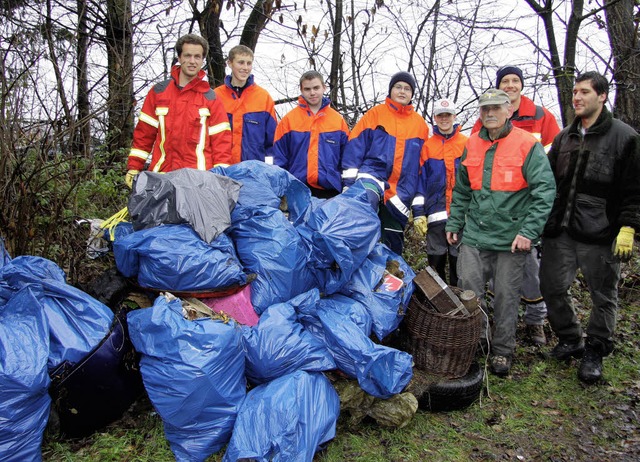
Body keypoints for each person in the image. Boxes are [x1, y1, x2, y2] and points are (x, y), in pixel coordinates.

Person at [445, 89, 556, 376]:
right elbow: (462, 190)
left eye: (495, 108)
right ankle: (477, 342)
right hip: (475, 236)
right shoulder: (472, 145)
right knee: (470, 293)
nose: (489, 113)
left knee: (507, 296)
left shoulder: (526, 144)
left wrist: (528, 232)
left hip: (511, 239)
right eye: (484, 109)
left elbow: (544, 192)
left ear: (508, 110)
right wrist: (454, 223)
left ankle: (503, 351)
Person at [539, 71, 640, 384]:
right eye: (574, 93)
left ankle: (596, 348)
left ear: (602, 96)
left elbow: (635, 189)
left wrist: (628, 227)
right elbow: (550, 183)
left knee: (603, 294)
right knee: (551, 286)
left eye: (584, 92)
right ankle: (570, 338)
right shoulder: (564, 137)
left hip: (602, 233)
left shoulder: (625, 138)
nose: (577, 98)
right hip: (561, 230)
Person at [473, 65, 562, 346]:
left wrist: (540, 211)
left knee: (531, 271)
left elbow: (555, 160)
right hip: (494, 216)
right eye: (505, 81)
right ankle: (495, 327)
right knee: (495, 278)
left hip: (527, 210)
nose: (510, 85)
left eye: (515, 80)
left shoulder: (540, 116)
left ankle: (536, 321)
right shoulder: (485, 121)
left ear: (521, 86)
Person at [125, 34, 232, 186]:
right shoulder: (158, 93)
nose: (192, 61)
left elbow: (222, 144)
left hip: (199, 182)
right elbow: (144, 134)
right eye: (187, 56)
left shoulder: (211, 98)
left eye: (197, 57)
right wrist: (134, 167)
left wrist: (221, 179)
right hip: (162, 178)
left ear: (203, 60)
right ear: (180, 58)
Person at [341, 71, 429, 255]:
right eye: (398, 87)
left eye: (407, 88)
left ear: (412, 94)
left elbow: (423, 167)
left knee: (392, 242)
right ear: (391, 90)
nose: (402, 91)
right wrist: (348, 185)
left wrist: (418, 209)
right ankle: (355, 270)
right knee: (362, 217)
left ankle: (389, 278)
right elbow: (355, 146)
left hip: (401, 191)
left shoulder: (420, 125)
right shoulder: (375, 114)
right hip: (371, 177)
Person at [412, 98, 468, 286]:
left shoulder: (467, 144)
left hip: (461, 217)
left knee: (459, 267)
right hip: (435, 217)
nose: (444, 119)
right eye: (440, 115)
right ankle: (438, 307)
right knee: (435, 267)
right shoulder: (428, 146)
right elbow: (420, 183)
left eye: (448, 115)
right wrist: (419, 214)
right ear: (435, 118)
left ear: (454, 116)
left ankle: (459, 307)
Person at [273, 70, 350, 198]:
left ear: (324, 88)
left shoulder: (337, 120)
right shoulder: (289, 120)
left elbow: (347, 157)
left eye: (316, 88)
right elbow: (279, 158)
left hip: (331, 190)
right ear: (301, 90)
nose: (312, 93)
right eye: (307, 89)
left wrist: (348, 185)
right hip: (297, 188)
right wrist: (281, 188)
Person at [214, 45, 277, 165]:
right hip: (222, 170)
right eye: (241, 63)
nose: (245, 68)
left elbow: (272, 142)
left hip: (254, 172)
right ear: (230, 63)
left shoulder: (263, 98)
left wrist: (269, 170)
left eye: (249, 63)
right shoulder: (217, 96)